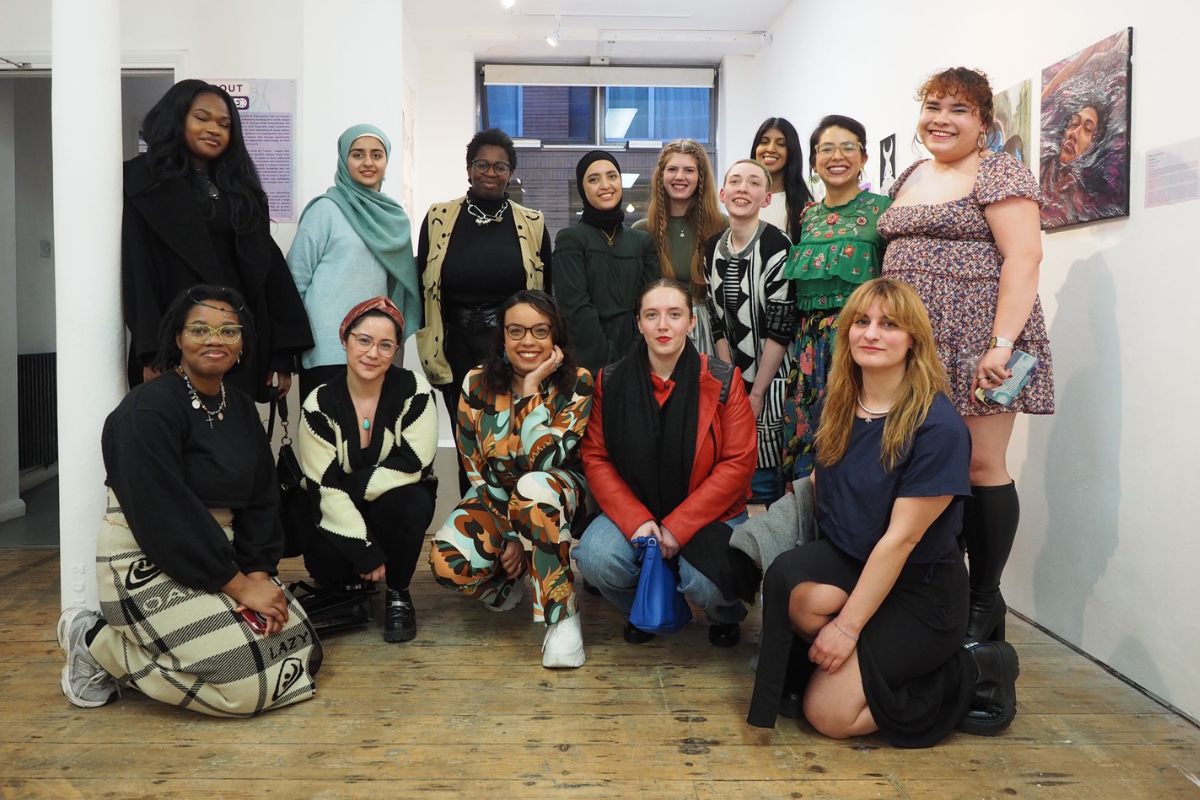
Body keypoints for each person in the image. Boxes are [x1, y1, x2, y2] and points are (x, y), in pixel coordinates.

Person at [748, 278, 1020, 746]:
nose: (871, 333)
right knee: (799, 594)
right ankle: (864, 655)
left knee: (828, 715)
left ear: (913, 338)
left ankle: (976, 666)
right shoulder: (839, 405)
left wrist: (848, 629)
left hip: (921, 587)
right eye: (862, 322)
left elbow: (901, 541)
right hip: (858, 564)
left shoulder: (938, 427)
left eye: (889, 324)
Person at [57, 285, 319, 716]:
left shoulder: (238, 406)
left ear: (242, 343)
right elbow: (165, 517)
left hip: (222, 559)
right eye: (199, 329)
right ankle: (94, 642)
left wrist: (258, 574)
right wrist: (238, 586)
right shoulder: (146, 412)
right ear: (177, 338)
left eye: (228, 330)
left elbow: (261, 499)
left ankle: (145, 651)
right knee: (247, 686)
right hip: (145, 560)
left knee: (301, 650)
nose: (214, 340)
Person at [878, 68, 1054, 643]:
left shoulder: (1000, 169)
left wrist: (1000, 346)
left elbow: (1023, 259)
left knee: (981, 466)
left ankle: (985, 601)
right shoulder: (909, 174)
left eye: (959, 109)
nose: (942, 118)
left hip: (986, 344)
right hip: (917, 346)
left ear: (983, 123)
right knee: (929, 465)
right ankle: (939, 589)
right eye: (933, 106)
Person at [574, 279, 759, 648]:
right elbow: (596, 456)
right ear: (638, 323)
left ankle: (723, 614)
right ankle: (648, 607)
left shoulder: (723, 379)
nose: (663, 325)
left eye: (674, 314)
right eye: (652, 315)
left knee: (708, 580)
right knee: (596, 559)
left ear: (691, 322)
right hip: (638, 507)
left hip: (711, 513)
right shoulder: (610, 381)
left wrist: (678, 525)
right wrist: (637, 520)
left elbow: (738, 463)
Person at [429, 291, 593, 669]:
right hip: (497, 498)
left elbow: (544, 460)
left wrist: (534, 386)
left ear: (556, 337)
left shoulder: (578, 383)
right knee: (446, 562)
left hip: (560, 494)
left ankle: (563, 617)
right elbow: (472, 464)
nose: (528, 341)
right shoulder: (475, 382)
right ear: (501, 336)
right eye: (516, 330)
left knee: (534, 488)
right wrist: (509, 534)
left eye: (540, 330)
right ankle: (509, 586)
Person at [122, 80, 311, 403]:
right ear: (176, 119)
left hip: (235, 338)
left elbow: (268, 273)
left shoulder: (242, 190)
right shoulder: (143, 181)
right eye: (201, 118)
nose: (214, 130)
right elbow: (138, 270)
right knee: (173, 435)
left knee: (232, 436)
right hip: (177, 341)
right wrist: (152, 350)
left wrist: (279, 353)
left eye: (224, 124)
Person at [414, 128, 553, 495]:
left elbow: (545, 296)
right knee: (468, 442)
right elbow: (421, 286)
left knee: (509, 438)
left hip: (511, 346)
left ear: (511, 173)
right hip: (454, 345)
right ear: (469, 168)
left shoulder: (533, 223)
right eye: (482, 165)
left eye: (500, 167)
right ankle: (475, 529)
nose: (490, 173)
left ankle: (513, 526)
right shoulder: (438, 217)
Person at [297, 297, 438, 643]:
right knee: (326, 560)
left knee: (409, 501)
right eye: (364, 340)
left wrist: (353, 485)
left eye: (385, 345)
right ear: (345, 340)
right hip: (337, 510)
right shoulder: (319, 402)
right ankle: (349, 583)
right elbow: (322, 486)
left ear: (395, 351)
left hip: (391, 500)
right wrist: (363, 548)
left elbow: (414, 462)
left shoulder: (414, 391)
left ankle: (398, 593)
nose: (373, 353)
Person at [781, 116, 893, 481]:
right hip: (808, 345)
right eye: (826, 148)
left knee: (853, 439)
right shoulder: (808, 216)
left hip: (858, 342)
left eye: (848, 147)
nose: (837, 156)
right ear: (814, 161)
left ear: (863, 157)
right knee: (806, 439)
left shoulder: (884, 209)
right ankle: (802, 529)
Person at [287, 125, 420, 400]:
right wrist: (290, 347)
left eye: (377, 155)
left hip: (375, 351)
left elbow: (399, 285)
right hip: (327, 348)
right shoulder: (325, 209)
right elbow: (294, 281)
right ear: (344, 159)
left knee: (374, 437)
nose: (368, 163)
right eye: (357, 155)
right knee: (324, 435)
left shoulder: (392, 218)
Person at [706, 160, 797, 506]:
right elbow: (717, 321)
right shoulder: (712, 246)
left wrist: (755, 394)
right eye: (735, 181)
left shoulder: (778, 246)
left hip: (771, 379)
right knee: (732, 468)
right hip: (732, 377)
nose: (743, 188)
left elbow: (780, 328)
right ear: (722, 193)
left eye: (754, 183)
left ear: (767, 198)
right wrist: (731, 383)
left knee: (767, 470)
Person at [554, 150, 661, 377]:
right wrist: (609, 365)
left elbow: (651, 306)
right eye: (593, 179)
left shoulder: (642, 241)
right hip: (588, 361)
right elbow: (575, 309)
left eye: (612, 176)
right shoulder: (571, 239)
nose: (605, 185)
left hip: (640, 358)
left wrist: (634, 356)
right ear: (583, 189)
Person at [631, 139, 727, 355]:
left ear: (701, 177)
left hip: (713, 334)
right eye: (672, 169)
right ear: (661, 176)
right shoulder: (642, 230)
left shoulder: (723, 226)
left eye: (689, 170)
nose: (680, 177)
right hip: (660, 333)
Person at [750, 117, 809, 242]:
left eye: (781, 144)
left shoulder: (805, 203)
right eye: (764, 142)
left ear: (792, 151)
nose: (770, 149)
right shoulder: (743, 195)